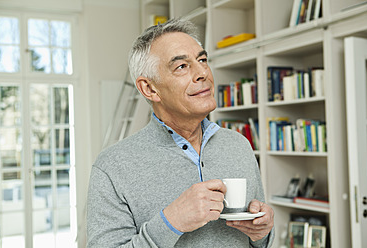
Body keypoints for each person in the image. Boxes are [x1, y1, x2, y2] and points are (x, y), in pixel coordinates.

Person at [86, 18, 275, 247]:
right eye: (182, 66)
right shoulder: (111, 168)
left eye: (202, 60)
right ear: (149, 88)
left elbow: (259, 241)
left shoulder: (239, 145)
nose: (202, 73)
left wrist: (262, 233)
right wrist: (171, 221)